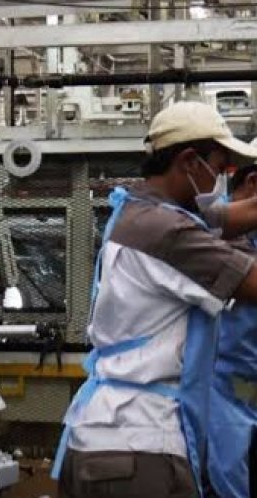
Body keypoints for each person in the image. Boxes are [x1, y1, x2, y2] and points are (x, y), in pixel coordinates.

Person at [53, 101, 257, 498]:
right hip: (139, 448)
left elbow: (231, 216)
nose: (220, 181)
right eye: (218, 169)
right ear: (189, 161)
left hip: (98, 440)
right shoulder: (167, 231)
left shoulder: (139, 211)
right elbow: (251, 283)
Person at [205, 163, 257, 498]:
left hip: (245, 381)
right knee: (225, 472)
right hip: (223, 382)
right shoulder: (210, 230)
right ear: (252, 182)